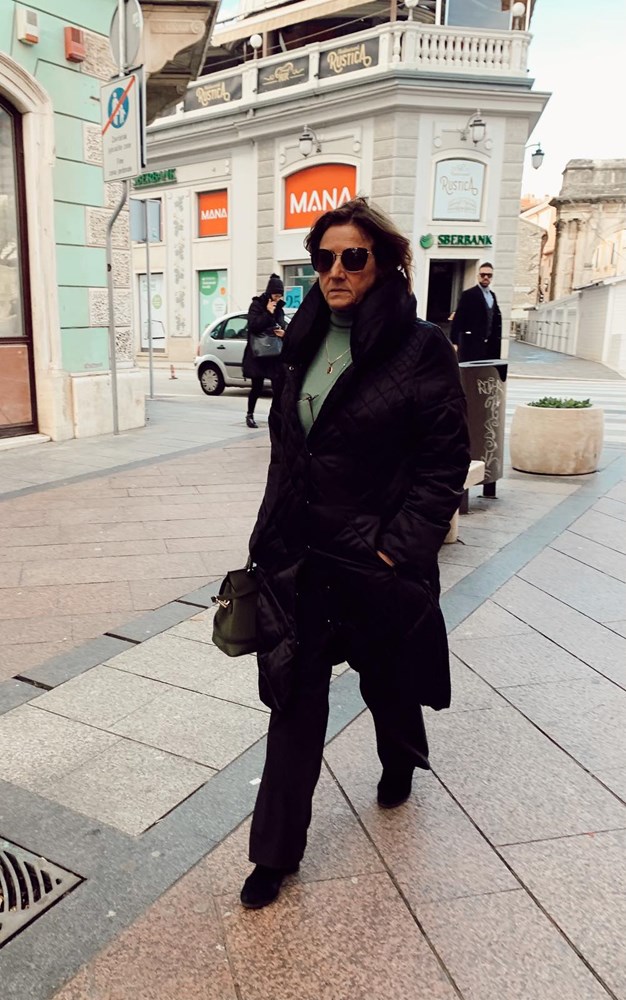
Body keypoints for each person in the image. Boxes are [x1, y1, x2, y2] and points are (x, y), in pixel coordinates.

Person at [240, 197, 470, 910]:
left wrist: (398, 551)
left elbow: (444, 461)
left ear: (385, 263)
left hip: (373, 558)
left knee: (388, 678)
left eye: (353, 257)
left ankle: (401, 758)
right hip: (303, 555)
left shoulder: (420, 346)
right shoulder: (302, 341)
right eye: (324, 258)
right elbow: (288, 453)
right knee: (294, 697)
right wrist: (266, 535)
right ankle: (274, 854)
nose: (335, 271)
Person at [242, 273, 286, 428]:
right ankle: (250, 415)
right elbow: (253, 326)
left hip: (274, 353)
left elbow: (281, 324)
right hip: (258, 354)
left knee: (278, 387)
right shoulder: (256, 305)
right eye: (275, 295)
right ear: (269, 293)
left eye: (280, 296)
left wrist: (283, 332)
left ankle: (277, 416)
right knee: (257, 387)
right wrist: (267, 312)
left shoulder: (279, 307)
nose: (277, 299)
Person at [450, 262, 502, 362]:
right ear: (478, 276)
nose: (486, 277)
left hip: (490, 346)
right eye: (483, 275)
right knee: (471, 370)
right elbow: (458, 319)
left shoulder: (492, 296)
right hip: (472, 344)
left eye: (489, 275)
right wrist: (454, 342)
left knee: (487, 371)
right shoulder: (468, 294)